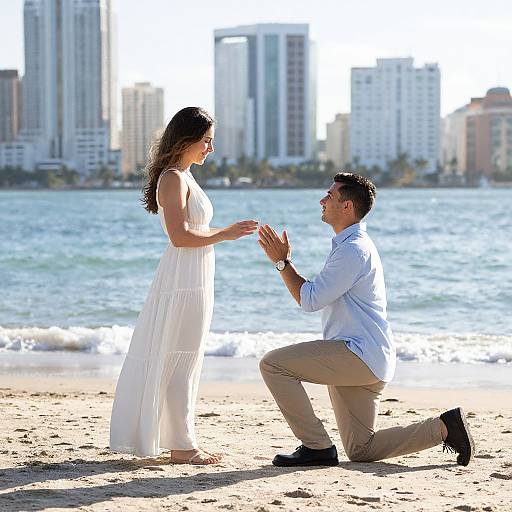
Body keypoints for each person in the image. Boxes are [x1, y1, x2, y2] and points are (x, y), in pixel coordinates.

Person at [257, 172, 474, 467]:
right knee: (362, 450)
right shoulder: (352, 246)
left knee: (273, 365)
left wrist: (282, 263)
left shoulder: (353, 250)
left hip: (358, 355)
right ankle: (445, 427)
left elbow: (309, 300)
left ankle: (316, 446)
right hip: (368, 358)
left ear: (347, 206)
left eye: (329, 196)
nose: (322, 200)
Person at [110, 107, 258, 465]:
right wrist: (225, 234)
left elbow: (191, 232)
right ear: (186, 139)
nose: (210, 149)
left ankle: (182, 442)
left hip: (195, 276)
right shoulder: (173, 178)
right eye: (206, 141)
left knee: (186, 359)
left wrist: (221, 235)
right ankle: (182, 447)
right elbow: (179, 236)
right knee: (179, 358)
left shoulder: (186, 177)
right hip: (182, 278)